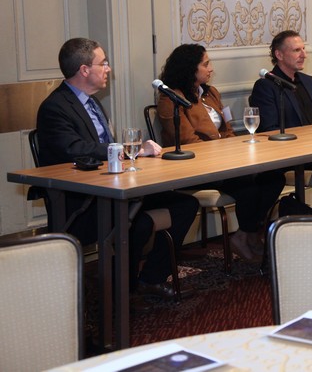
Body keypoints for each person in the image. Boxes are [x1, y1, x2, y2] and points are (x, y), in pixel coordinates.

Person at [36, 38, 199, 304]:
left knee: (185, 205)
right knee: (136, 222)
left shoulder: (92, 102)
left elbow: (101, 147)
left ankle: (151, 278)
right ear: (84, 70)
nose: (108, 69)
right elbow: (74, 149)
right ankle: (122, 293)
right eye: (103, 63)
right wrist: (126, 149)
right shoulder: (55, 107)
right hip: (83, 201)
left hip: (113, 189)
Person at [156, 44, 286, 263]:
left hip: (225, 162)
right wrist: (223, 154)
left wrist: (234, 150)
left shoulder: (210, 93)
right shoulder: (171, 99)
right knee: (248, 188)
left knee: (274, 178)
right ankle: (248, 236)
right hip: (195, 167)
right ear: (190, 68)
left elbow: (227, 130)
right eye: (205, 64)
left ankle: (246, 234)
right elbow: (189, 142)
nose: (211, 69)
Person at [250, 30, 312, 213]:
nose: (304, 55)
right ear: (279, 54)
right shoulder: (266, 86)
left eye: (303, 49)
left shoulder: (308, 81)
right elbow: (269, 130)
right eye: (297, 50)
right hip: (290, 154)